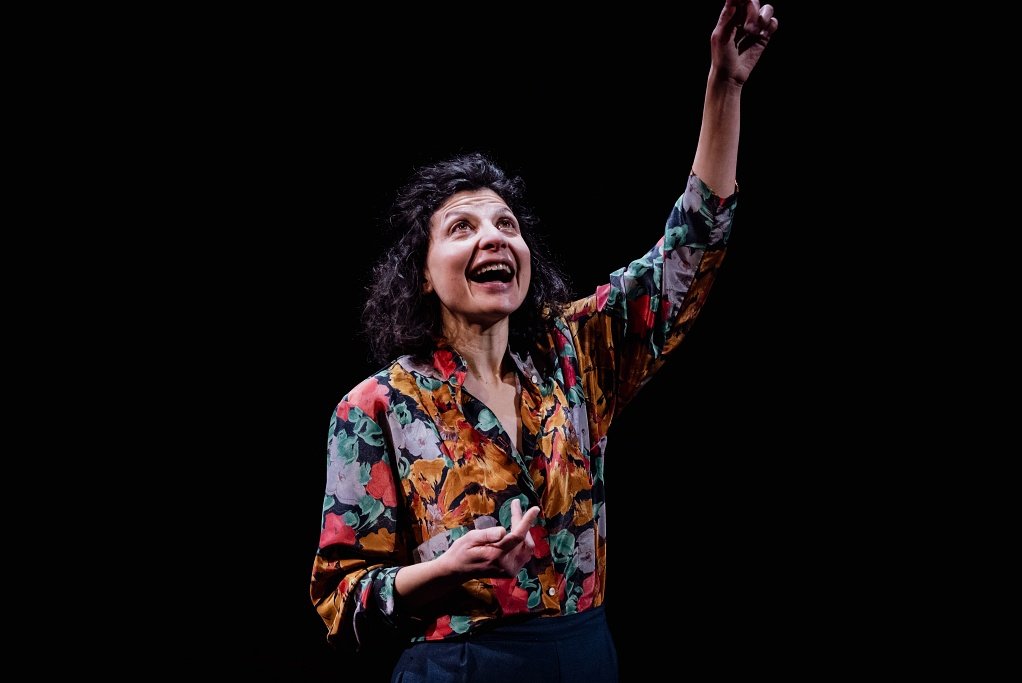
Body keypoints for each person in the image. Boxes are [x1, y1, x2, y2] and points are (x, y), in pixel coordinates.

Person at [310, 2, 778, 680]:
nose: (494, 236)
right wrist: (439, 571)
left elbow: (690, 247)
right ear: (421, 272)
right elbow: (339, 601)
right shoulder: (375, 407)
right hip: (461, 664)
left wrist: (725, 87)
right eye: (462, 228)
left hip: (584, 654)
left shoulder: (574, 353)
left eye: (505, 223)